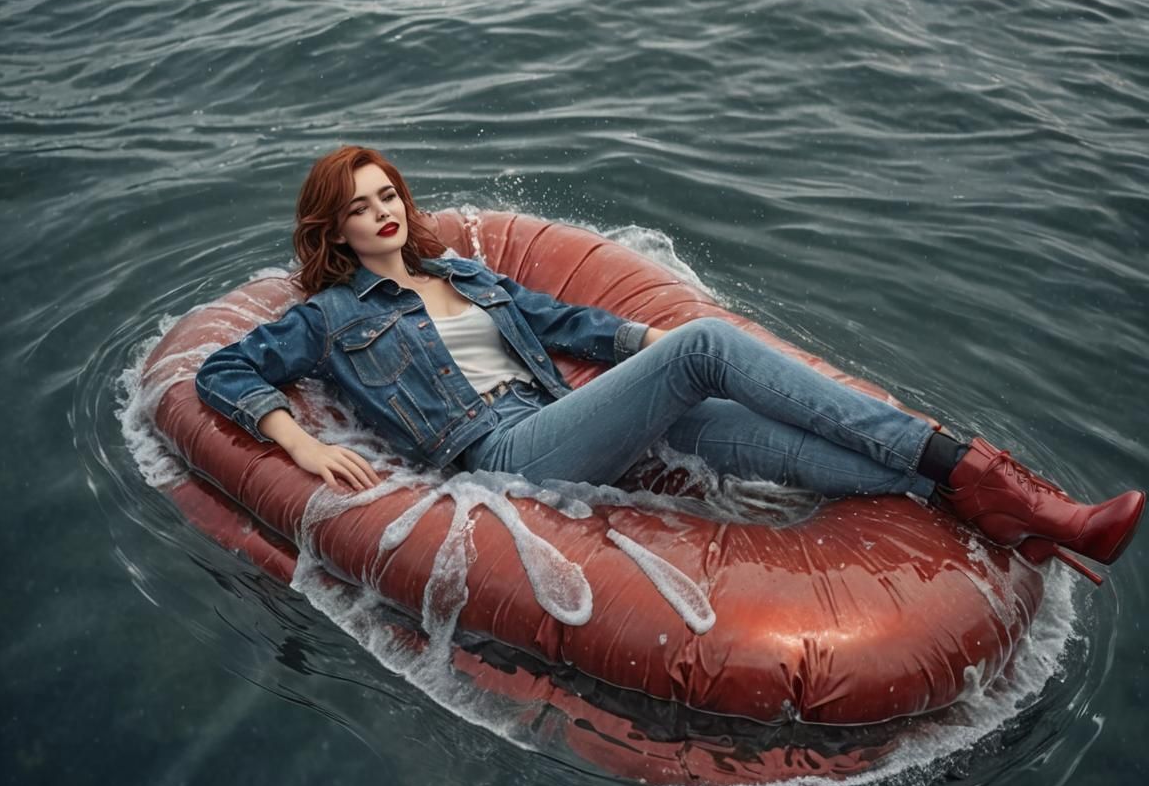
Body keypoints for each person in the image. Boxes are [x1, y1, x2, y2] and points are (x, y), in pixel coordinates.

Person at [196, 146, 1144, 585]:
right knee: (706, 347)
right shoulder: (329, 316)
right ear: (335, 230)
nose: (383, 213)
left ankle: (990, 510)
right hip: (498, 455)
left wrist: (637, 345)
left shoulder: (467, 277)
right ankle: (983, 471)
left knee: (774, 443)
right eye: (360, 208)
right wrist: (298, 443)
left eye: (388, 195)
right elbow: (225, 373)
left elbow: (565, 321)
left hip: (559, 419)